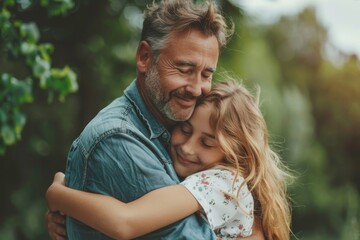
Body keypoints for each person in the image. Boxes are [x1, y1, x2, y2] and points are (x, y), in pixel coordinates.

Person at [46, 0, 238, 239]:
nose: (197, 89)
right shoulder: (118, 140)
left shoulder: (178, 129)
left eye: (207, 74)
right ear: (145, 57)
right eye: (184, 69)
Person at [46, 80, 292, 240]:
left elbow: (124, 222)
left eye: (206, 143)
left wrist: (58, 193)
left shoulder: (220, 185)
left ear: (233, 155)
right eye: (185, 129)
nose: (187, 147)